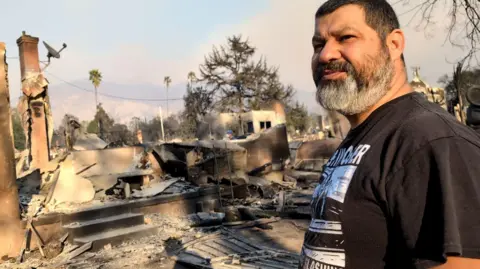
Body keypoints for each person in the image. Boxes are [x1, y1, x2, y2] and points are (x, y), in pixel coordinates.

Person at [300, 1, 480, 268]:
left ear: (394, 44)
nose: (326, 54)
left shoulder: (430, 140)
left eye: (346, 37)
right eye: (318, 44)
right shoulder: (364, 135)